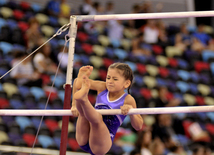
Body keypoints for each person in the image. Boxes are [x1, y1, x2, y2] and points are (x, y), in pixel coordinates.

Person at [71, 63, 144, 155]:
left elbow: (138, 126)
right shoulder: (102, 87)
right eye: (108, 78)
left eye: (115, 79)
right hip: (84, 136)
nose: (110, 81)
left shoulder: (128, 99)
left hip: (102, 143)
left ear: (126, 83)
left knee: (97, 119)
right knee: (83, 114)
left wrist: (131, 111)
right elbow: (77, 82)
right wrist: (73, 104)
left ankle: (84, 99)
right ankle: (82, 99)